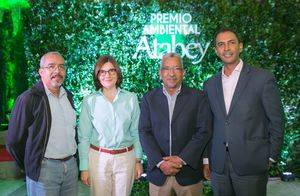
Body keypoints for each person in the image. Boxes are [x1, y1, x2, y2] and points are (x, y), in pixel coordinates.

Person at [203, 28, 284, 196]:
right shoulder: (210, 84)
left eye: (231, 43)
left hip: (252, 163)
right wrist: (206, 159)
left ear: (240, 47)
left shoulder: (262, 78)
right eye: (221, 44)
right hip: (219, 166)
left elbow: (277, 120)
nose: (226, 48)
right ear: (216, 50)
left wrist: (271, 157)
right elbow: (208, 124)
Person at [139, 52, 212, 196]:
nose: (171, 73)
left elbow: (203, 131)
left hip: (188, 174)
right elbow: (144, 132)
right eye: (167, 68)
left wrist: (181, 159)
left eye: (176, 68)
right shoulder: (149, 98)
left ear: (183, 72)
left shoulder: (198, 97)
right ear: (160, 73)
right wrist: (161, 163)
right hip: (159, 174)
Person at [6, 52, 78, 196]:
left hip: (70, 168)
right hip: (44, 170)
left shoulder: (68, 96)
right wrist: (32, 163)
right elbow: (14, 141)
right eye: (51, 66)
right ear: (41, 71)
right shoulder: (28, 99)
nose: (57, 71)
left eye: (61, 67)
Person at [78, 55, 143, 196]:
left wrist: (138, 160)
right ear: (97, 75)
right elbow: (84, 137)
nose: (107, 75)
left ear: (117, 73)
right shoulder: (89, 101)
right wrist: (84, 167)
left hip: (126, 158)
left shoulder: (131, 98)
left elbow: (136, 132)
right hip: (98, 159)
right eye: (102, 71)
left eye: (111, 71)